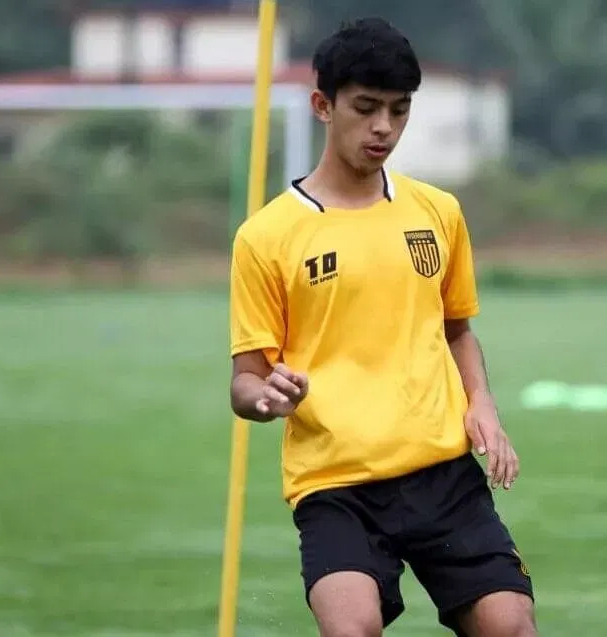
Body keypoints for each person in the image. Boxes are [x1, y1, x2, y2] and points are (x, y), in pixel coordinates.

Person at [227, 17, 537, 637]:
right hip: (336, 484)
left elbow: (456, 330)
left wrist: (482, 401)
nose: (383, 129)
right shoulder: (266, 238)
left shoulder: (438, 212)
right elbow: (245, 381)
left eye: (398, 111)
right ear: (323, 105)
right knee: (352, 628)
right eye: (365, 108)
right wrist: (264, 399)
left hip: (443, 473)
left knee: (511, 627)